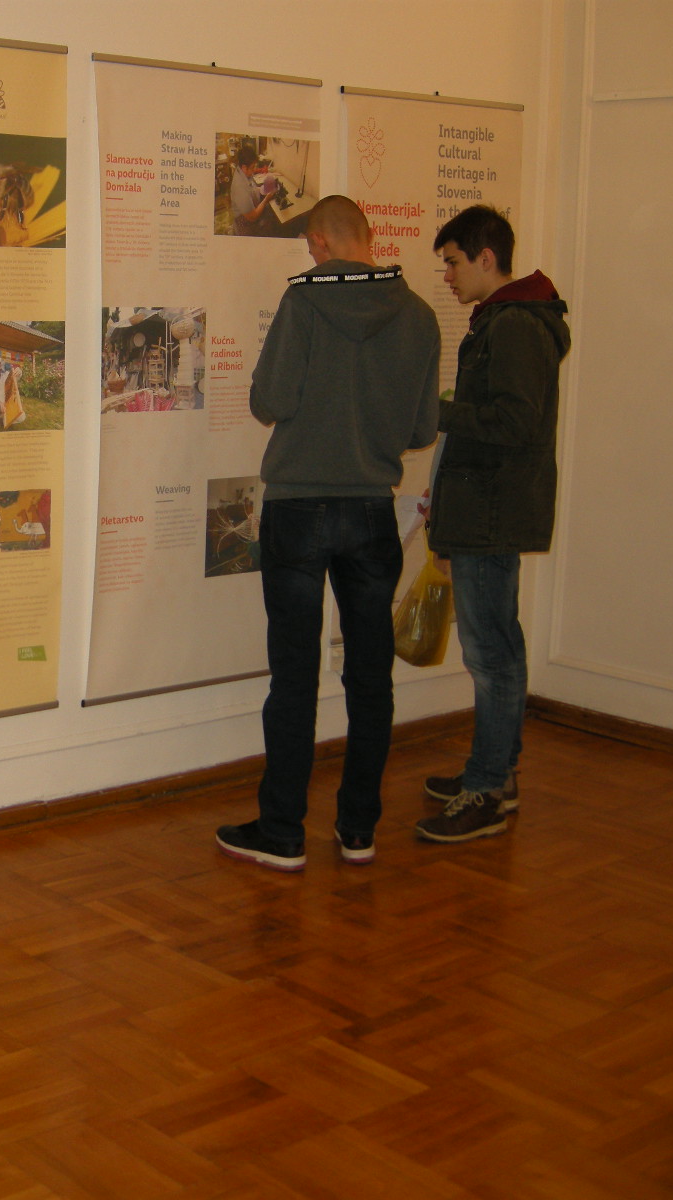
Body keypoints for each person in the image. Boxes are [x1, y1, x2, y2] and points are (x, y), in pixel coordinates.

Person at [216, 195, 440, 872]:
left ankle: (283, 831)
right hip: (371, 510)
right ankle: (358, 829)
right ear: (369, 238)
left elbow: (270, 402)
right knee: (370, 677)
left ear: (318, 241)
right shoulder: (420, 315)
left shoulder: (304, 301)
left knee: (294, 674)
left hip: (299, 506)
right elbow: (421, 429)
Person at [415, 205, 570, 844]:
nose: (448, 276)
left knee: (490, 655)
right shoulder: (506, 319)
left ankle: (485, 792)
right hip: (486, 509)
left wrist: (438, 411)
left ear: (486, 257)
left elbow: (513, 423)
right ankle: (496, 773)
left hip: (492, 512)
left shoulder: (515, 326)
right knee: (497, 647)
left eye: (453, 262)